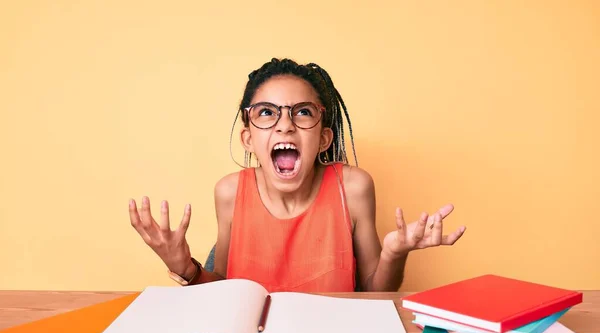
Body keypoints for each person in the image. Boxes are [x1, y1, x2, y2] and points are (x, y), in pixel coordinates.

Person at [128, 58, 466, 292]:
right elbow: (225, 293)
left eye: (303, 112)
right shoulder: (230, 193)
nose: (285, 124)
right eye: (266, 113)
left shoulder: (354, 187)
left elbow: (377, 294)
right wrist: (186, 268)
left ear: (323, 138)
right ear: (249, 139)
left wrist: (394, 253)